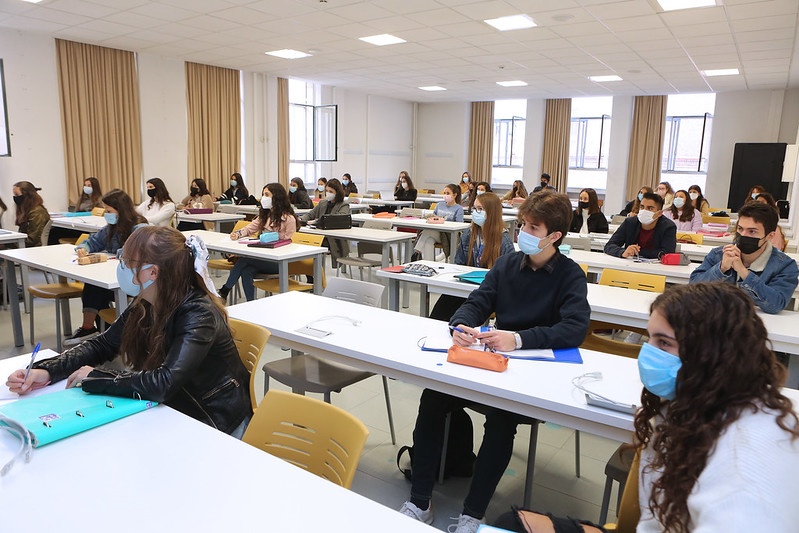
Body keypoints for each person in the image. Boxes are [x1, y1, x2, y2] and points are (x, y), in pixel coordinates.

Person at [493, 282, 799, 533]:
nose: (649, 354)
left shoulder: (750, 461)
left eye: (664, 343)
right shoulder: (692, 402)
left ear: (711, 352)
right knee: (513, 525)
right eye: (650, 339)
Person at [399, 191, 591, 533]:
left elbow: (574, 329)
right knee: (433, 398)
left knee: (501, 421)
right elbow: (477, 301)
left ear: (555, 236)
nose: (523, 233)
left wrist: (518, 339)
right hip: (490, 365)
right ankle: (420, 500)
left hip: (528, 377)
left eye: (533, 227)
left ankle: (473, 512)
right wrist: (461, 325)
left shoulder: (570, 276)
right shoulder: (506, 265)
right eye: (522, 225)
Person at [7, 226, 253, 437]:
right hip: (172, 407)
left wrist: (96, 377)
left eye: (127, 261)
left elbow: (163, 383)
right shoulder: (147, 301)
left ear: (153, 272)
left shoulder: (197, 313)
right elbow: (102, 344)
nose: (121, 265)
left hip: (213, 419)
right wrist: (47, 370)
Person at [65, 189, 148, 344]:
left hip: (133, 281)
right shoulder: (112, 227)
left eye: (109, 210)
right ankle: (99, 331)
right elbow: (93, 241)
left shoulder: (140, 226)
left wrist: (121, 252)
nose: (106, 214)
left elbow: (134, 249)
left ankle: (98, 331)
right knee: (94, 285)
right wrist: (84, 248)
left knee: (96, 288)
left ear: (120, 210)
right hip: (112, 278)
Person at [690, 201, 798, 314]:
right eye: (740, 229)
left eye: (752, 231)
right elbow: (693, 289)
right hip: (718, 321)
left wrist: (744, 273)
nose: (743, 235)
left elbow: (776, 304)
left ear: (770, 236)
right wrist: (721, 268)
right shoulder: (719, 254)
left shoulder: (785, 266)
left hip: (757, 326)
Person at [429, 192, 515, 321]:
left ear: (492, 213)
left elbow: (509, 276)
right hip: (466, 286)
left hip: (489, 292)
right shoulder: (469, 234)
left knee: (464, 316)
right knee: (438, 314)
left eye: (480, 209)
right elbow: (459, 263)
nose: (476, 212)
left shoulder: (504, 240)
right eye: (475, 209)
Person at [218, 183, 298, 302]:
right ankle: (251, 303)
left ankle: (224, 290)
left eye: (267, 195)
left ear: (276, 197)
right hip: (263, 257)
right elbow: (250, 228)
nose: (263, 198)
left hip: (279, 261)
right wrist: (238, 234)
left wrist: (271, 236)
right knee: (246, 270)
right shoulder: (265, 215)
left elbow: (288, 240)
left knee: (244, 260)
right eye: (263, 194)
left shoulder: (289, 219)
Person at [604, 192, 676, 259]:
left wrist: (637, 252)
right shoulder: (629, 223)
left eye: (650, 208)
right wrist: (622, 252)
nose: (644, 211)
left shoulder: (668, 227)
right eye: (642, 207)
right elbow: (609, 245)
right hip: (629, 265)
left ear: (659, 213)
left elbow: (667, 254)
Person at [301, 178, 350, 268]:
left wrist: (316, 222)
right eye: (326, 190)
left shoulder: (343, 205)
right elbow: (310, 214)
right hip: (320, 235)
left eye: (331, 191)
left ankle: (315, 272)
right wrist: (301, 220)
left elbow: (337, 219)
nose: (328, 193)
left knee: (310, 244)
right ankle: (309, 271)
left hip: (333, 239)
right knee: (305, 242)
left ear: (337, 193)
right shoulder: (323, 203)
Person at [411, 183, 464, 261]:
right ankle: (429, 263)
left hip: (448, 235)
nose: (446, 195)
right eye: (444, 193)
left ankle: (416, 252)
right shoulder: (439, 205)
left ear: (455, 195)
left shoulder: (458, 208)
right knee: (428, 241)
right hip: (437, 232)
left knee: (427, 232)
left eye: (448, 193)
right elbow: (433, 216)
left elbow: (460, 225)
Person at [13, 181, 50, 248]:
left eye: (17, 195)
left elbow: (32, 240)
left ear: (27, 195)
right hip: (26, 245)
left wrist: (9, 242)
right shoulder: (27, 210)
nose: (15, 198)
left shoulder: (37, 212)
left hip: (33, 248)